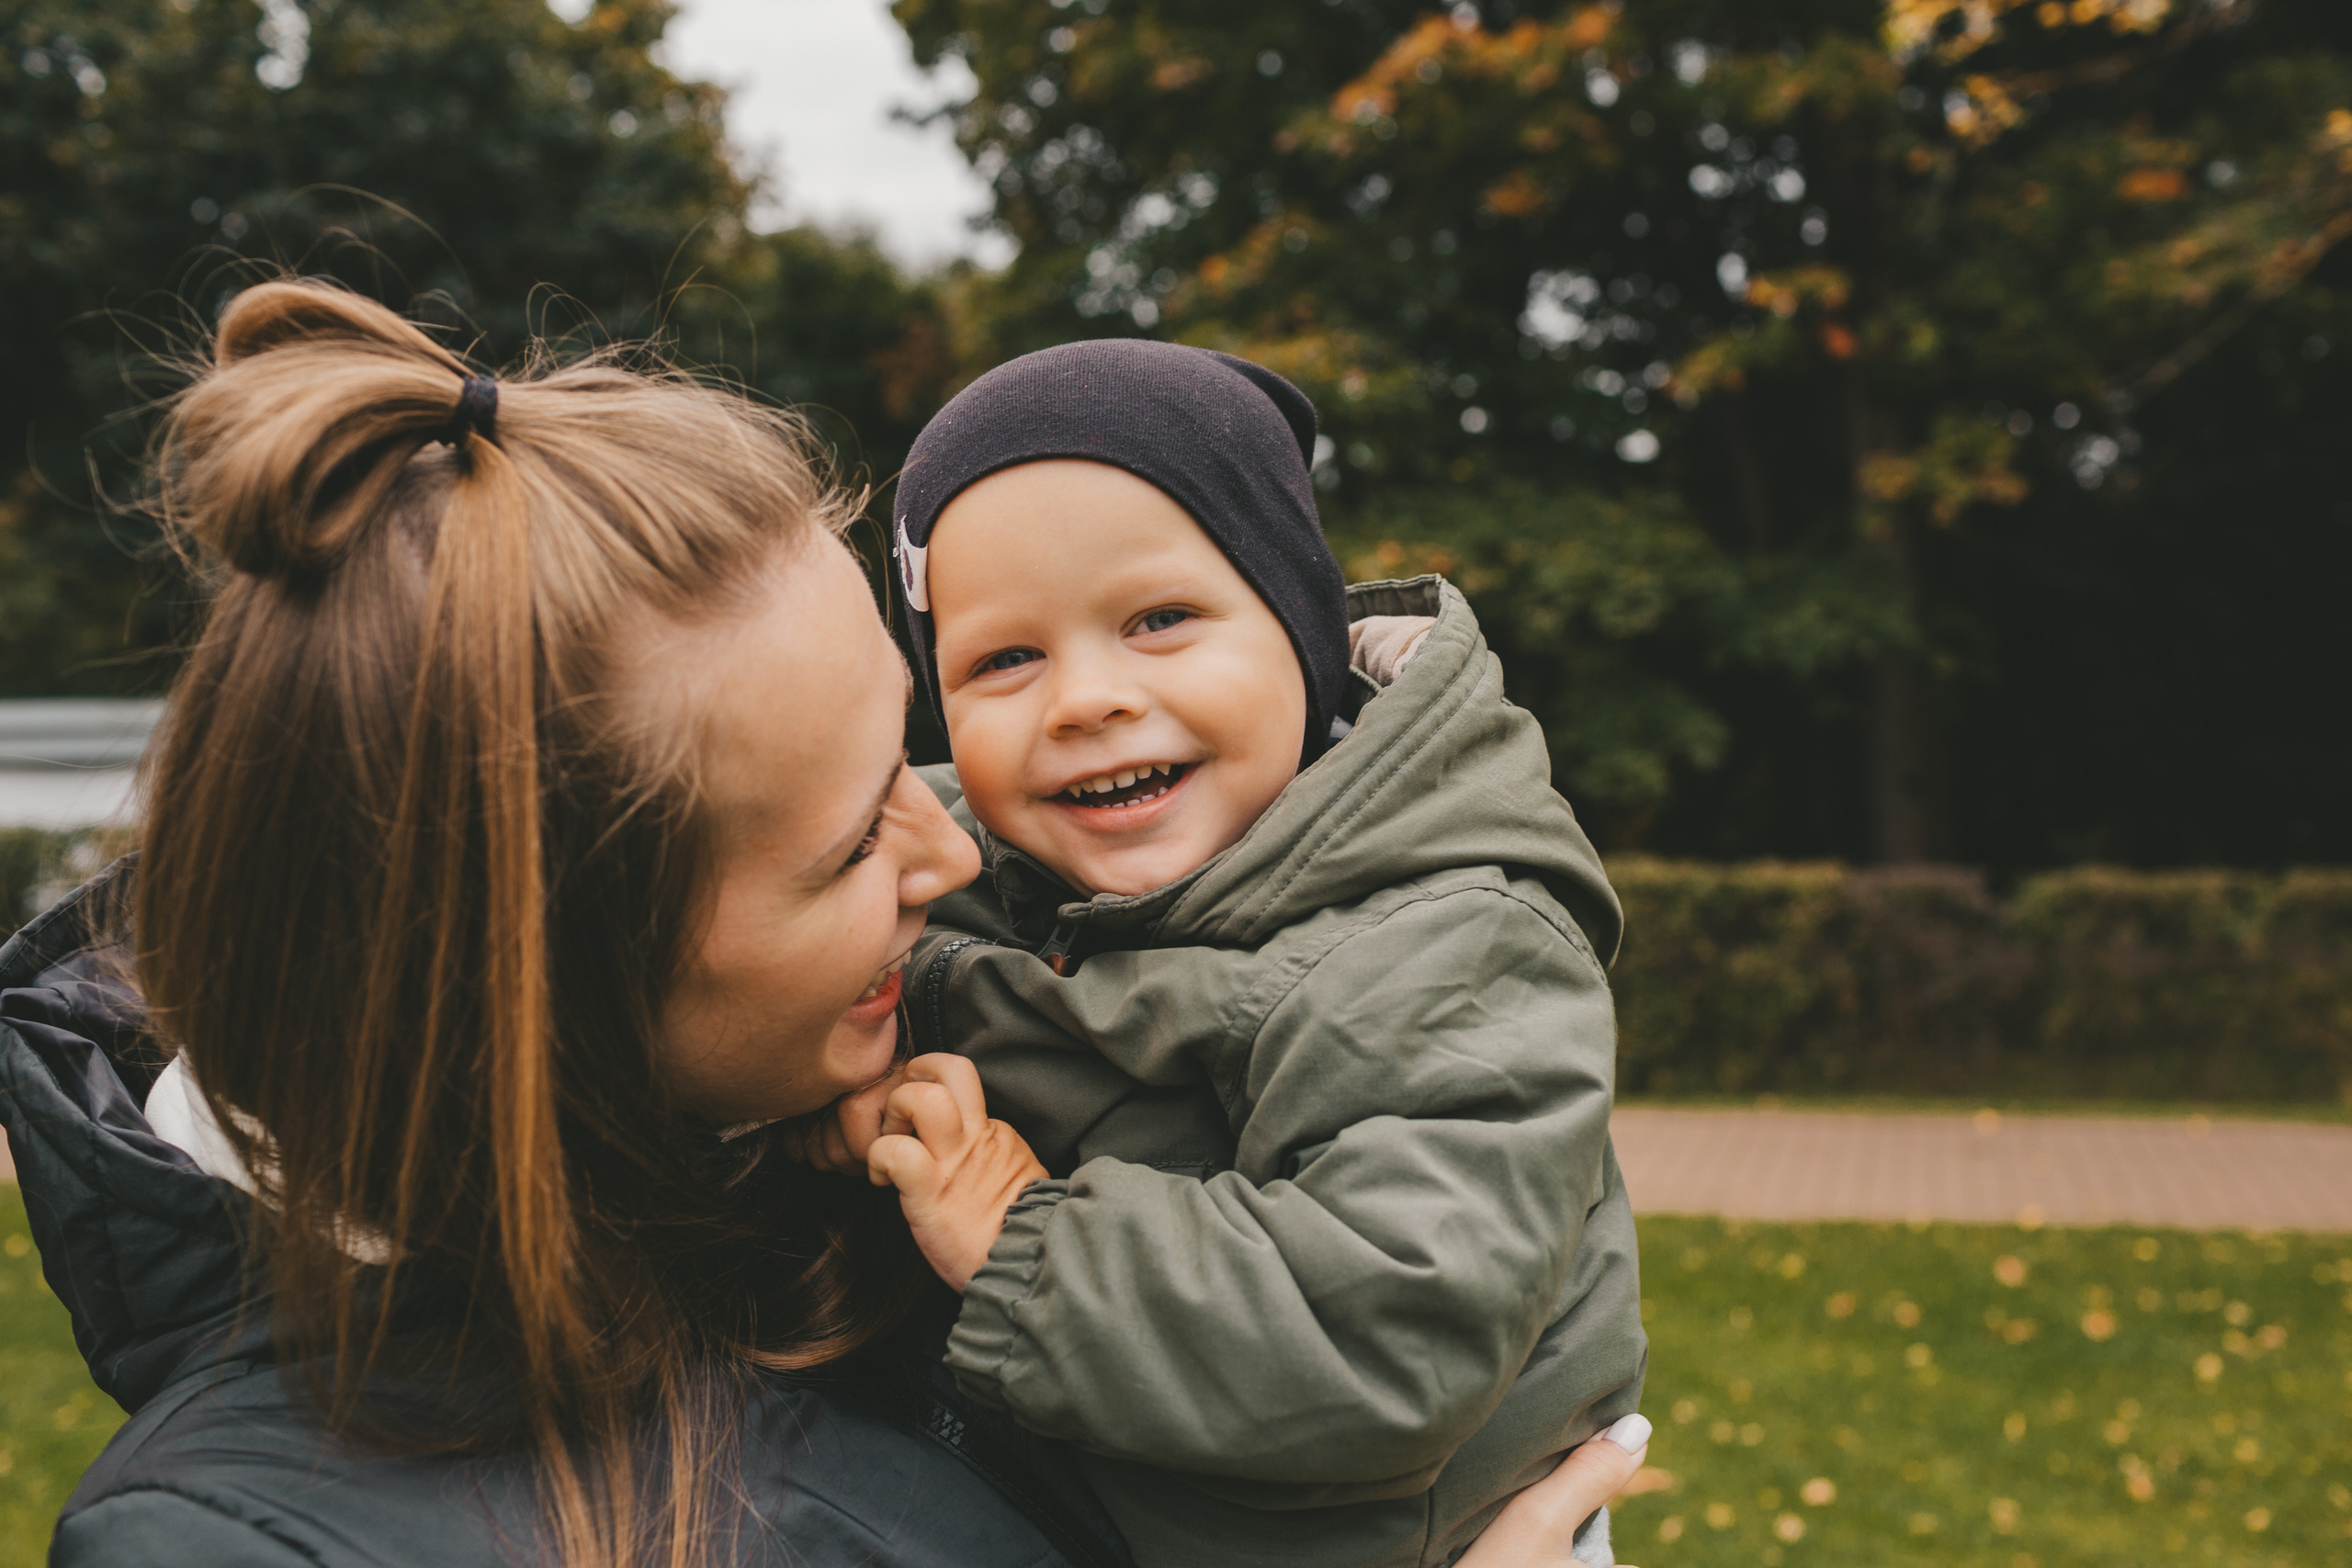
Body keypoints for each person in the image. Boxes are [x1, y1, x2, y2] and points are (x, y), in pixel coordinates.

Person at [0, 281, 1646, 1567]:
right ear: (560, 986)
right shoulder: (255, 1547)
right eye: (857, 832)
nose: (950, 855)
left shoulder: (781, 1155)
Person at [817, 342, 1646, 1567]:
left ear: (1302, 630)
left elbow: (1381, 1335)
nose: (1086, 698)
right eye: (1005, 658)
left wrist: (1015, 1236)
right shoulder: (988, 873)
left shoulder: (1448, 937)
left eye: (1160, 621)